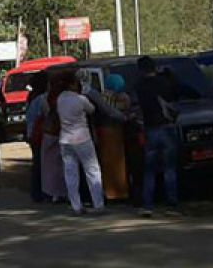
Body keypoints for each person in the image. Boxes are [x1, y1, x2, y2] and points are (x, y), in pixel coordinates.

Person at [55, 72, 106, 215]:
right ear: (72, 84)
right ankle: (98, 204)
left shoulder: (60, 99)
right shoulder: (80, 99)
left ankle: (76, 206)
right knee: (92, 170)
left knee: (71, 173)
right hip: (82, 138)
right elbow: (92, 109)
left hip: (65, 139)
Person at [135, 56, 180, 217]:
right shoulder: (164, 83)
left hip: (150, 128)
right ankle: (172, 202)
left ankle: (148, 204)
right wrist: (167, 73)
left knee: (149, 170)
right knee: (169, 168)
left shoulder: (140, 86)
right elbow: (176, 90)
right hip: (167, 126)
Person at [97, 73, 132, 202]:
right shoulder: (123, 97)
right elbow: (125, 110)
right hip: (117, 132)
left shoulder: (102, 96)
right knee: (120, 164)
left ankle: (109, 192)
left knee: (106, 164)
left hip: (104, 132)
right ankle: (121, 192)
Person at [24, 74, 50, 203]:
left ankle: (36, 191)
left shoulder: (31, 97)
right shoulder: (42, 98)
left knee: (37, 162)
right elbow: (47, 114)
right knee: (41, 163)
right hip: (39, 134)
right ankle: (40, 192)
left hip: (31, 133)